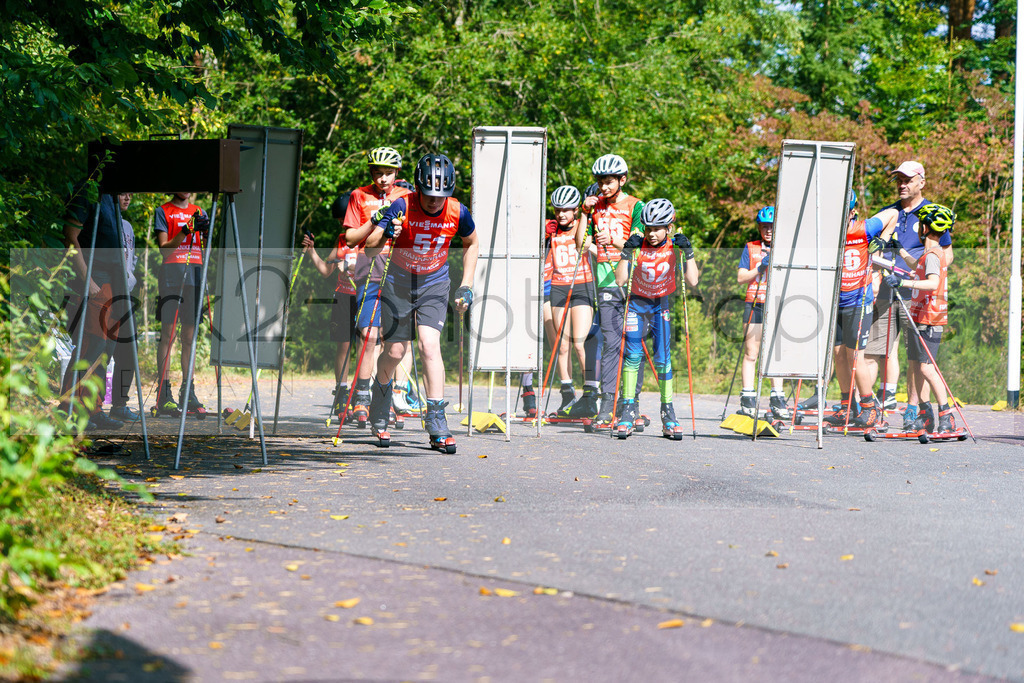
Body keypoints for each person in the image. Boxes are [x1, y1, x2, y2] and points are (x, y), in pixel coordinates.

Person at [365, 153, 479, 453]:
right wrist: (386, 233)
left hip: (434, 283)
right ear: (417, 188)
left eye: (441, 196)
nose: (434, 202)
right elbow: (369, 250)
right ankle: (381, 399)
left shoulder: (458, 211)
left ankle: (437, 420)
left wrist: (466, 284)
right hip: (399, 283)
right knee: (395, 351)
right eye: (428, 195)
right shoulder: (402, 205)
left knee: (429, 345)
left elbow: (472, 243)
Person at [862, 161, 953, 429]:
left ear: (921, 182)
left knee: (917, 358)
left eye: (908, 180)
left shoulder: (931, 215)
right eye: (899, 180)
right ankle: (868, 409)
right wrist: (877, 267)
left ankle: (915, 410)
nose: (902, 185)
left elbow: (947, 255)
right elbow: (872, 248)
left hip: (916, 295)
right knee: (872, 352)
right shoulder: (888, 213)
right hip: (884, 291)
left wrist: (924, 271)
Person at [612, 198, 699, 438]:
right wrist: (626, 252)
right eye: (648, 228)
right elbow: (620, 280)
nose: (651, 234)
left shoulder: (673, 246)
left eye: (657, 228)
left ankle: (667, 412)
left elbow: (693, 281)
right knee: (632, 357)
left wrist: (688, 252)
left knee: (662, 359)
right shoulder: (638, 245)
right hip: (636, 305)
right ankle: (628, 410)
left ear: (669, 227)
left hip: (660, 306)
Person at [576, 154, 645, 425]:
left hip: (633, 280)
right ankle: (607, 404)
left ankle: (631, 403)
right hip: (606, 281)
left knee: (633, 343)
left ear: (622, 180)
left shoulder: (636, 206)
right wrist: (584, 212)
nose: (603, 187)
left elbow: (639, 244)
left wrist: (614, 240)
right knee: (611, 344)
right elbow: (580, 243)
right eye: (600, 182)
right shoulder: (595, 208)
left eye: (609, 182)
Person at [881, 203, 955, 433]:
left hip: (930, 319)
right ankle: (926, 415)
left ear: (924, 228)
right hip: (921, 316)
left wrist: (902, 282)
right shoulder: (929, 255)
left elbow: (932, 283)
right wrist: (901, 251)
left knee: (926, 368)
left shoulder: (932, 255)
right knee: (920, 367)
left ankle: (946, 415)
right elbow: (917, 267)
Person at [60, 188, 127, 432]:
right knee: (90, 347)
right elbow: (70, 235)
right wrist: (87, 279)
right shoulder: (88, 190)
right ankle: (69, 411)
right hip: (94, 280)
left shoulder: (112, 197)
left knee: (104, 352)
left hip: (112, 283)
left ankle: (93, 409)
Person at [822, 191, 886, 428]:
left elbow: (892, 214)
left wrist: (884, 238)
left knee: (855, 355)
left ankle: (869, 406)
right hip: (836, 301)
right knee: (838, 354)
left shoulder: (864, 227)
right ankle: (847, 406)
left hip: (859, 300)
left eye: (844, 211)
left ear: (853, 212)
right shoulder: (828, 232)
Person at [154, 192, 210, 414]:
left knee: (189, 337)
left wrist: (206, 231)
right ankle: (164, 394)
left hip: (195, 273)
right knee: (168, 335)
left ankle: (188, 392)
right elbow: (164, 248)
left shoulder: (200, 211)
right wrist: (186, 230)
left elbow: (207, 244)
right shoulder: (163, 211)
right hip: (171, 273)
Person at [546, 185, 599, 418]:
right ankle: (567, 394)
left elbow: (588, 245)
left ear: (576, 210)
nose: (561, 215)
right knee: (562, 345)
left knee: (580, 343)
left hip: (581, 285)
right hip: (559, 287)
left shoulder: (582, 225)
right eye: (558, 210)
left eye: (566, 210)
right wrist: (543, 233)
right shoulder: (551, 229)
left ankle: (591, 393)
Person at [735, 206, 791, 420]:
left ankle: (777, 398)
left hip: (776, 304)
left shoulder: (785, 248)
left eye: (772, 226)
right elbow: (741, 277)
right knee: (752, 353)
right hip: (755, 303)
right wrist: (759, 268)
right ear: (759, 228)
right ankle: (748, 398)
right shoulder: (751, 248)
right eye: (765, 226)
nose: (768, 230)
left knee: (776, 354)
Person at [108, 192, 142, 421]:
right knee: (102, 350)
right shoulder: (104, 222)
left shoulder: (128, 227)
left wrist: (130, 278)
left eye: (130, 194)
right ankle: (90, 407)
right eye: (122, 194)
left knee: (129, 352)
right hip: (106, 292)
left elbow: (132, 258)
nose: (127, 198)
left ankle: (119, 405)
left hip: (126, 295)